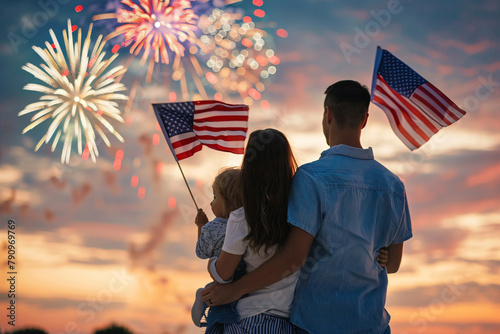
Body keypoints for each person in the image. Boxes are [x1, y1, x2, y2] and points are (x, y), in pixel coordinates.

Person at [202, 80, 413, 334]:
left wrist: (236, 289)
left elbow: (293, 258)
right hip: (372, 325)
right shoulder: (393, 186)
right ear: (365, 120)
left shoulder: (311, 177)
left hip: (316, 324)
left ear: (328, 115)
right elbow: (393, 264)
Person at [205, 128, 301, 333]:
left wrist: (212, 263)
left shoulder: (242, 218)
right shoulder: (299, 213)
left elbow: (223, 275)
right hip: (288, 322)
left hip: (249, 319)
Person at [191, 167, 244, 328]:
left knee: (221, 304)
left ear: (230, 200)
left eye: (215, 197)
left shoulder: (212, 228)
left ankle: (206, 300)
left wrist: (201, 226)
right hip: (246, 277)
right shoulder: (249, 223)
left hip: (224, 279)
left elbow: (201, 251)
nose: (211, 202)